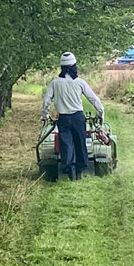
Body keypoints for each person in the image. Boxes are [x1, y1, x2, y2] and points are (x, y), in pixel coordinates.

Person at [41, 52, 104, 181]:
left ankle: (69, 169)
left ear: (62, 67)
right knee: (80, 143)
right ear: (74, 66)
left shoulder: (55, 83)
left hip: (63, 118)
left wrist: (45, 114)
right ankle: (80, 170)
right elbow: (93, 99)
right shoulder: (80, 82)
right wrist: (100, 112)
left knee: (66, 144)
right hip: (78, 117)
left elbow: (46, 100)